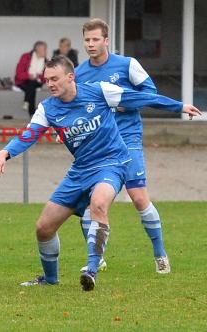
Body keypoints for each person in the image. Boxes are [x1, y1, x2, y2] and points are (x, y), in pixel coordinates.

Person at [0, 55, 200, 291]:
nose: (49, 84)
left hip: (112, 163)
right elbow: (29, 135)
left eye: (54, 79)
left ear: (70, 77)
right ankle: (50, 279)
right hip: (80, 171)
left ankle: (91, 270)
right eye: (46, 80)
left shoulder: (100, 91)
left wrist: (178, 106)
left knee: (98, 204)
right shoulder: (47, 108)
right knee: (43, 228)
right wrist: (4, 153)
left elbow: (139, 97)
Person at [76, 18, 171, 274]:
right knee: (90, 203)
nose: (91, 44)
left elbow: (149, 94)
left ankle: (159, 252)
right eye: (87, 39)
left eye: (96, 39)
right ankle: (98, 258)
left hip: (127, 140)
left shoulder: (128, 65)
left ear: (106, 40)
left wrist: (119, 104)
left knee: (138, 198)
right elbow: (74, 105)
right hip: (96, 144)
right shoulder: (79, 73)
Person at [14, 41, 48, 116]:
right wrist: (28, 76)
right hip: (23, 81)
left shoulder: (46, 61)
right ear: (37, 49)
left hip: (37, 82)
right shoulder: (26, 57)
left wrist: (40, 75)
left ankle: (26, 102)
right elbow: (18, 73)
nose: (46, 51)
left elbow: (45, 78)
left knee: (32, 84)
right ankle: (32, 113)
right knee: (31, 87)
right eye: (44, 49)